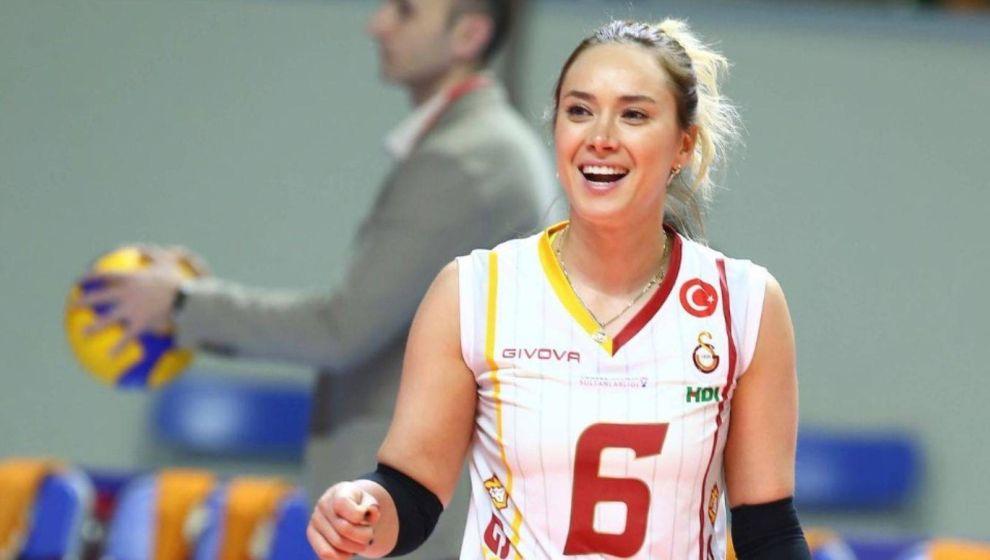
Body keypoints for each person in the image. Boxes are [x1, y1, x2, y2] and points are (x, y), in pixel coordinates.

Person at [305, 19, 811, 560]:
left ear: (682, 146)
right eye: (579, 110)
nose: (601, 137)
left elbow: (768, 532)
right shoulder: (473, 292)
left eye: (634, 115)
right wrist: (362, 511)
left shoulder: (743, 303)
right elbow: (411, 492)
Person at [79, 1, 556, 557]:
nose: (378, 23)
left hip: (421, 515)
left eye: (406, 11)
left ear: (468, 35)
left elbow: (341, 329)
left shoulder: (466, 161)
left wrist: (183, 304)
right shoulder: (479, 149)